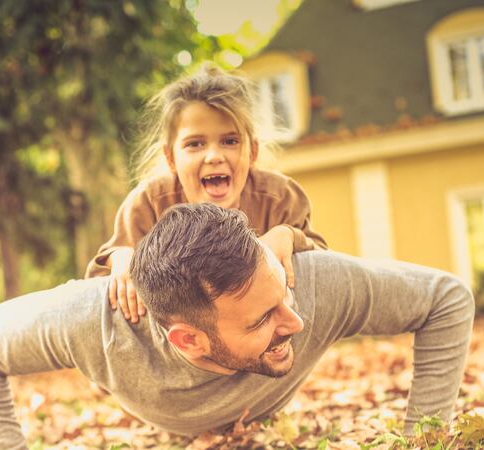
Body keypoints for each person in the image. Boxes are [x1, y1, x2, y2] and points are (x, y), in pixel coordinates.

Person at [0, 203, 475, 449]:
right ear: (187, 339)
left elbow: (447, 298)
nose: (296, 319)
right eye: (264, 318)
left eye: (283, 296)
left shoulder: (310, 282)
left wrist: (423, 438)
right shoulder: (93, 319)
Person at [84, 65, 327, 323]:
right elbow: (98, 277)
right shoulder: (149, 204)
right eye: (195, 144)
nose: (214, 156)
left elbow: (326, 270)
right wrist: (122, 259)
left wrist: (288, 235)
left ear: (252, 152)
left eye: (230, 141)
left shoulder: (280, 198)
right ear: (171, 158)